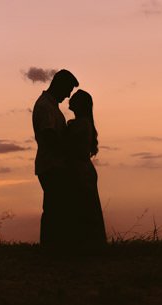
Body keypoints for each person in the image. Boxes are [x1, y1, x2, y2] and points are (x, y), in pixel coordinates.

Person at [32, 68, 78, 249]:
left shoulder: (50, 106)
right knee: (54, 208)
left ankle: (53, 245)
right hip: (51, 164)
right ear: (60, 85)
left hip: (53, 163)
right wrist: (68, 152)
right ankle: (50, 247)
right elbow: (49, 136)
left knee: (55, 206)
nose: (68, 96)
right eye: (67, 91)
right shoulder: (45, 106)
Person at [65, 89, 106, 249]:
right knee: (88, 207)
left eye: (74, 101)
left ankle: (86, 245)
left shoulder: (80, 124)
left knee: (83, 207)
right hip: (83, 169)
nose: (70, 103)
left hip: (79, 170)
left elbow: (68, 147)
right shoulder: (85, 124)